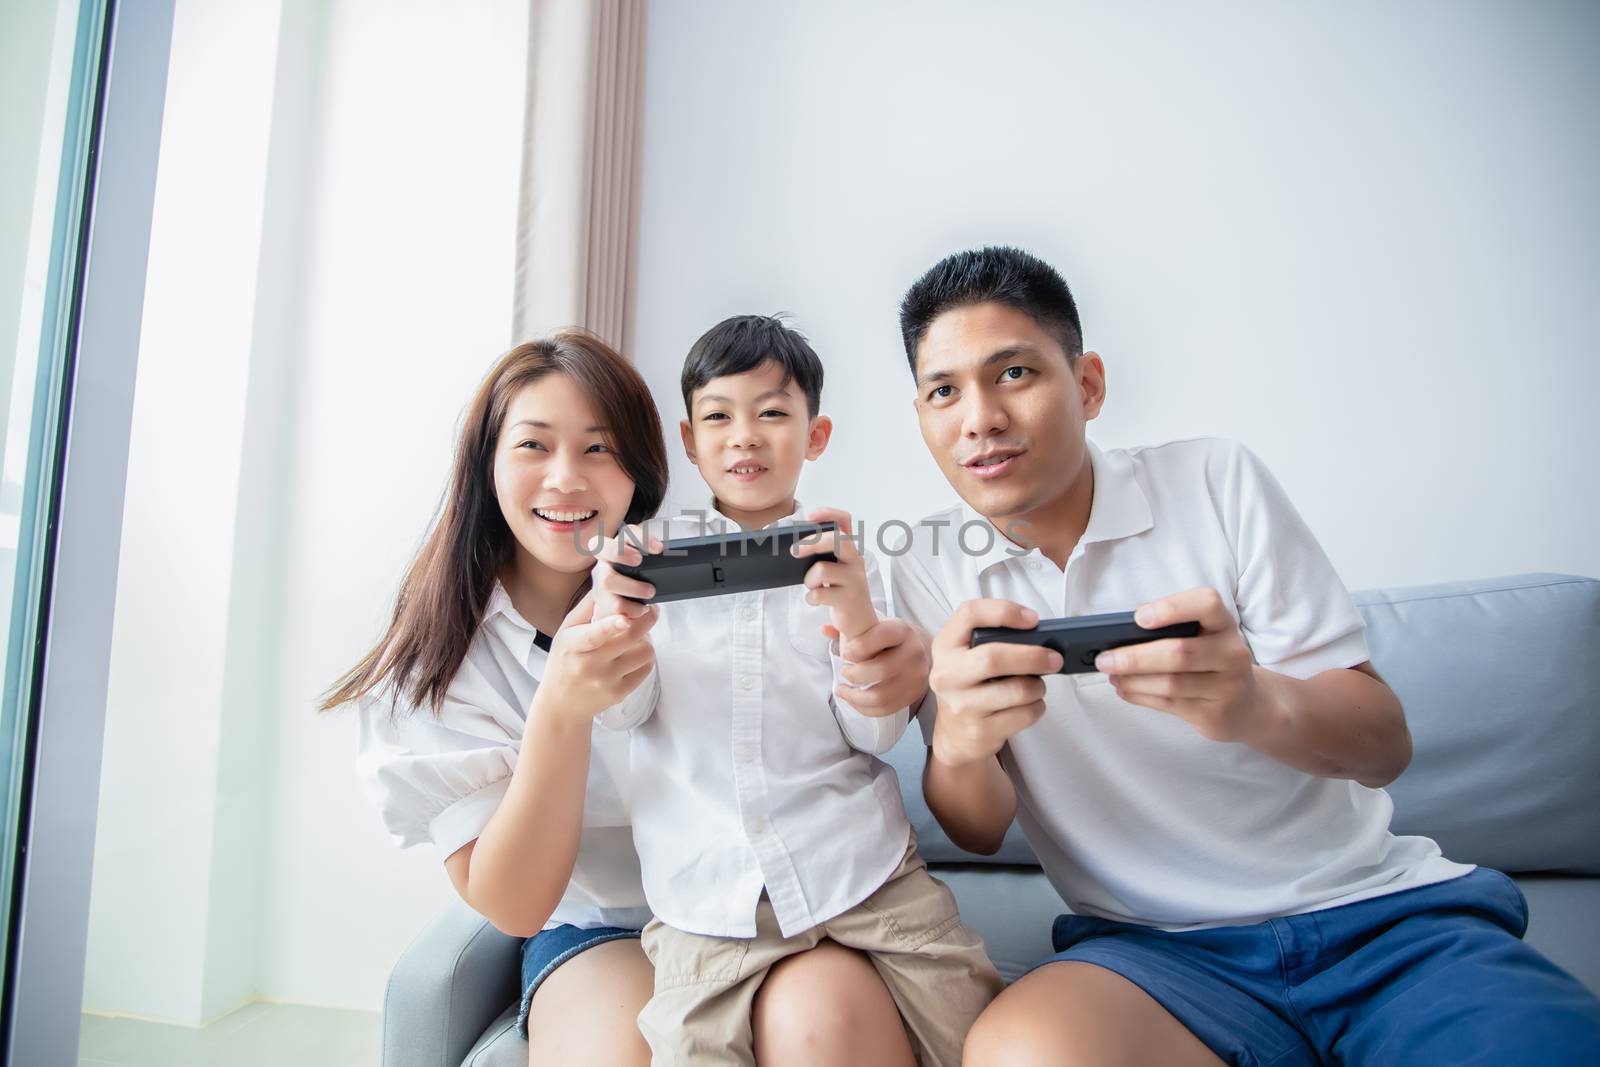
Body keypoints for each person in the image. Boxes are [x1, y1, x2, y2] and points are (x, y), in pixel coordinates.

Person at [888, 246, 1600, 1065]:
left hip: (1375, 920)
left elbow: (1384, 743)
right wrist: (963, 743)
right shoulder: (920, 566)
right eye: (944, 391)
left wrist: (1255, 703)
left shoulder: (1214, 481)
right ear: (922, 417)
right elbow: (977, 831)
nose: (979, 417)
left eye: (1013, 372)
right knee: (1019, 1052)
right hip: (1153, 956)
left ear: (1087, 385)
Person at [326, 331, 919, 1066]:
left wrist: (875, 655)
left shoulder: (704, 580)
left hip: (768, 899)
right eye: (534, 446)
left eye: (599, 449)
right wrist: (562, 710)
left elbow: (858, 712)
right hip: (601, 924)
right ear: (486, 464)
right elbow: (513, 904)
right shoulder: (438, 665)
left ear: (642, 469)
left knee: (824, 1025)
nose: (568, 479)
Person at [590, 315, 1003, 1066]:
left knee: (973, 1035)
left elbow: (875, 735)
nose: (744, 435)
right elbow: (624, 710)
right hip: (707, 901)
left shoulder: (857, 565)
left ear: (816, 436)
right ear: (689, 441)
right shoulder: (645, 565)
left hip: (863, 877)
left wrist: (854, 619)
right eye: (718, 416)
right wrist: (618, 624)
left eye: (772, 413)